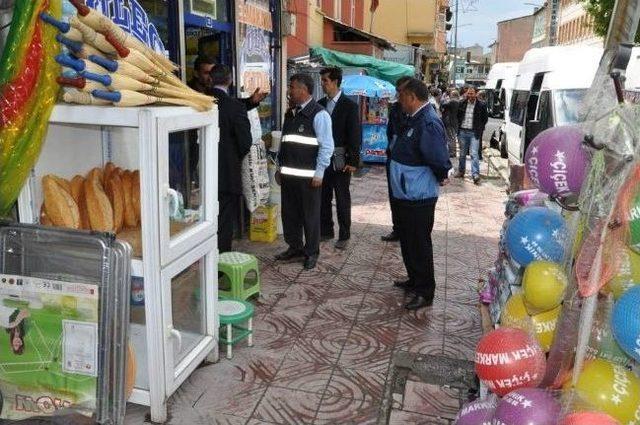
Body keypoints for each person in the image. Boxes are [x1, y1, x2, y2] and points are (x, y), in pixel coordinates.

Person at [389, 78, 451, 310]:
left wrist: (442, 174)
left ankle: (425, 291)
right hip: (406, 194)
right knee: (408, 241)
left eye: (402, 96)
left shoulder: (428, 122)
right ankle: (414, 280)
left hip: (419, 196)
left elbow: (437, 158)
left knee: (419, 244)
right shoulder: (414, 118)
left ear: (412, 97)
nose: (399, 100)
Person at [275, 74, 334, 270]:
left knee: (310, 216)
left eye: (291, 87)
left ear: (303, 90)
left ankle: (311, 252)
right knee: (290, 214)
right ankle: (295, 247)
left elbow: (327, 146)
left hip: (309, 178)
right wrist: (279, 169)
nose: (289, 91)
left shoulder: (319, 114)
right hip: (289, 176)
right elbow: (285, 143)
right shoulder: (290, 114)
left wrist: (319, 173)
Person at [209, 65, 253, 253]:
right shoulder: (235, 106)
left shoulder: (200, 102)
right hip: (227, 173)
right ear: (230, 80)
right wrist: (233, 158)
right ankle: (220, 262)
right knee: (225, 220)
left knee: (206, 218)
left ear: (210, 80)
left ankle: (205, 257)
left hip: (202, 172)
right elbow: (245, 142)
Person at [318, 67, 361, 250]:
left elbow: (354, 135)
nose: (322, 84)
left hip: (341, 159)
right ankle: (326, 230)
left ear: (335, 82)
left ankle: (344, 234)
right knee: (323, 197)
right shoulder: (319, 104)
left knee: (342, 197)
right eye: (322, 81)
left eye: (325, 81)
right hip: (323, 159)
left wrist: (353, 161)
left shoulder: (350, 106)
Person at [381, 76, 412, 242]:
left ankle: (408, 229)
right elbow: (391, 131)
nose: (399, 95)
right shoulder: (395, 109)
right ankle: (397, 229)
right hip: (393, 158)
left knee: (407, 195)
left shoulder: (416, 112)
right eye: (397, 92)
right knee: (394, 194)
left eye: (401, 92)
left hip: (409, 162)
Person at [454, 86, 488, 185]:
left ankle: (475, 174)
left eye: (472, 93)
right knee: (462, 153)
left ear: (476, 94)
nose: (470, 95)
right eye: (468, 93)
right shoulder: (462, 103)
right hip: (463, 132)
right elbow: (458, 116)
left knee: (474, 154)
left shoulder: (481, 105)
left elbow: (484, 119)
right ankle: (461, 171)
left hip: (474, 133)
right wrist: (458, 129)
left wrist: (479, 129)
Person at [441, 90, 460, 157]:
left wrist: (445, 99)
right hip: (455, 121)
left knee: (450, 137)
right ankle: (452, 151)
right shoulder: (458, 101)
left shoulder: (452, 101)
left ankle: (452, 152)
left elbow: (443, 105)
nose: (450, 95)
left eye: (451, 94)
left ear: (453, 95)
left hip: (450, 121)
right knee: (452, 136)